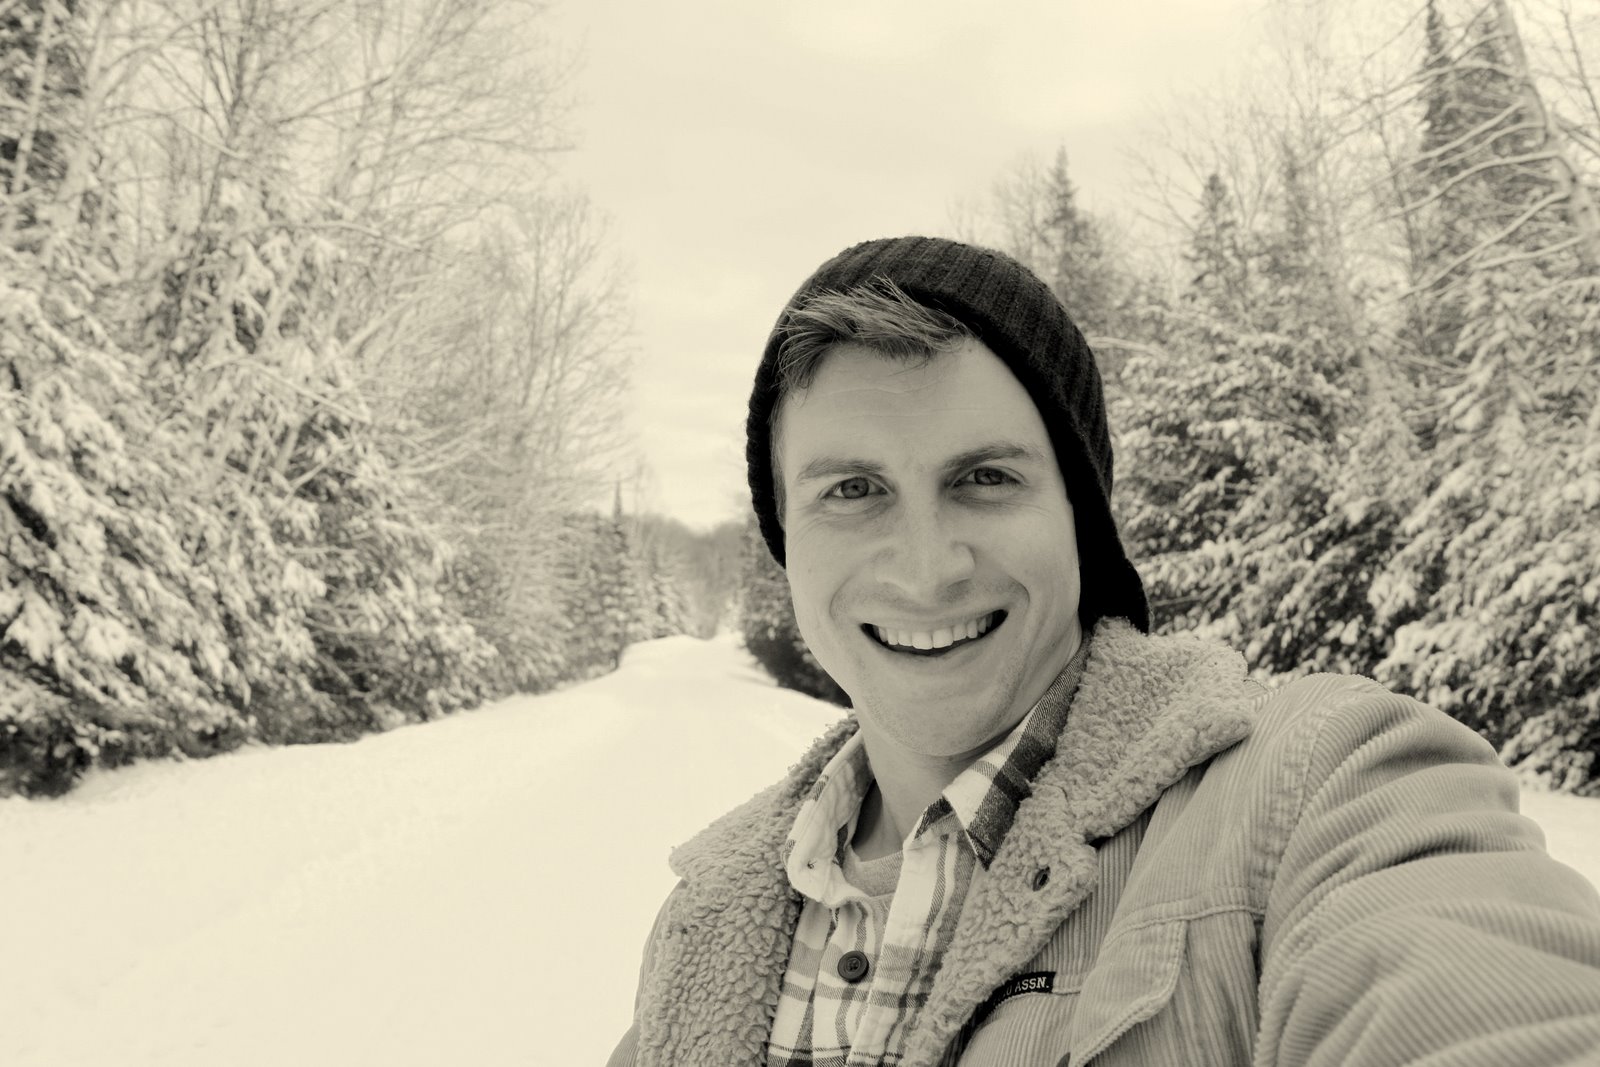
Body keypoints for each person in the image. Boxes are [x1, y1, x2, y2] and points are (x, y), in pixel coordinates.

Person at [607, 236, 1600, 1067]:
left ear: (1082, 520)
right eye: (852, 490)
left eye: (985, 478)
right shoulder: (708, 912)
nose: (925, 567)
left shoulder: (1317, 784)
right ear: (787, 539)